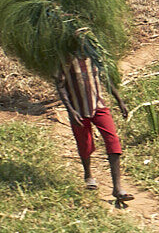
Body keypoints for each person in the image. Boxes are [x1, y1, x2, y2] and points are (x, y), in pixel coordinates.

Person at [57, 48, 133, 205]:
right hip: (78, 109)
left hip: (98, 105)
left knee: (112, 139)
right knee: (84, 143)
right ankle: (88, 175)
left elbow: (106, 79)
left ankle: (117, 188)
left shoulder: (94, 54)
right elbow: (60, 85)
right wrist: (70, 110)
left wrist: (120, 101)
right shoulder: (65, 58)